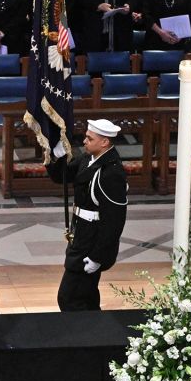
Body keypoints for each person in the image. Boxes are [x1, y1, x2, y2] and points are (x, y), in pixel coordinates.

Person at [45, 119, 129, 311]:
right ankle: (93, 335)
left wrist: (97, 257)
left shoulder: (111, 173)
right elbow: (61, 177)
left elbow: (114, 221)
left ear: (104, 142)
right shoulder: (88, 159)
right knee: (85, 297)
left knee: (69, 298)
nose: (84, 141)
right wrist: (56, 155)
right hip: (80, 235)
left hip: (91, 243)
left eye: (90, 138)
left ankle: (80, 336)